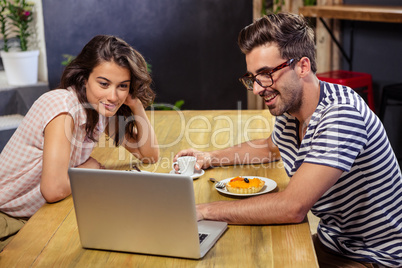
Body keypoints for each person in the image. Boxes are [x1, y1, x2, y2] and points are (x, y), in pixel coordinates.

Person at [174, 13, 402, 267]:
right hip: (333, 243)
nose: (259, 88)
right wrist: (209, 157)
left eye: (266, 73)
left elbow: (292, 207)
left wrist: (204, 210)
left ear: (302, 66)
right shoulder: (293, 109)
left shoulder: (342, 115)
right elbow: (271, 147)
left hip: (374, 259)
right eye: (253, 78)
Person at [0, 35, 159, 250]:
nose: (113, 96)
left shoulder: (99, 109)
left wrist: (136, 105)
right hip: (7, 219)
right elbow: (53, 189)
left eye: (122, 86)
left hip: (37, 214)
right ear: (84, 78)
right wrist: (87, 170)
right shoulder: (62, 108)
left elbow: (148, 155)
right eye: (104, 83)